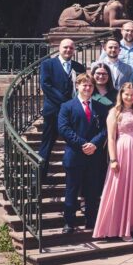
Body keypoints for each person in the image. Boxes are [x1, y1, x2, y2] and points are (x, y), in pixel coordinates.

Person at [93, 82, 133, 241]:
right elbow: (111, 138)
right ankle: (123, 229)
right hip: (123, 153)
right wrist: (113, 159)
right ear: (121, 95)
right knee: (122, 188)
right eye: (126, 94)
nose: (130, 97)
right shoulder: (114, 112)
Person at [57, 74, 107, 234]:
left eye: (90, 86)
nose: (87, 88)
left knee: (92, 191)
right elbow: (64, 129)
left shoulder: (101, 107)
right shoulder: (67, 106)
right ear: (77, 86)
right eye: (84, 85)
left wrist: (94, 144)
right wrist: (83, 144)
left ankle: (91, 220)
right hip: (75, 155)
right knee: (72, 190)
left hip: (94, 156)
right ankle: (69, 223)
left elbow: (105, 129)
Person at [39, 38, 86, 181]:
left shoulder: (79, 67)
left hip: (73, 113)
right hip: (53, 111)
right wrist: (66, 103)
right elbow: (46, 85)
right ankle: (40, 176)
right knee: (47, 143)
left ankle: (77, 176)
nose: (68, 50)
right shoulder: (48, 64)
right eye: (65, 47)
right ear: (59, 48)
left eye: (71, 48)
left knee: (76, 143)